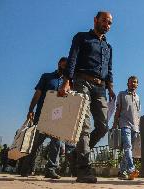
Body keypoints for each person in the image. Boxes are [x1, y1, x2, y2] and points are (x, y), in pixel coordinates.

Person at [59, 11, 115, 183]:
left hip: (101, 88)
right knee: (84, 125)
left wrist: (110, 88)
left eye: (110, 23)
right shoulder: (81, 37)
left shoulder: (108, 47)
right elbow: (72, 59)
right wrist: (67, 81)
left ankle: (75, 154)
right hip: (82, 81)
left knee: (103, 126)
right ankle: (83, 168)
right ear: (95, 20)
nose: (107, 24)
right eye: (104, 20)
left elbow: (110, 70)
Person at [20, 57, 68, 179]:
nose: (64, 67)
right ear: (59, 64)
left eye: (67, 65)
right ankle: (26, 168)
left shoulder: (68, 83)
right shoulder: (47, 77)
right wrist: (31, 109)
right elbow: (38, 94)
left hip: (57, 117)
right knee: (35, 143)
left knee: (56, 142)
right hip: (42, 115)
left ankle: (51, 169)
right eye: (63, 64)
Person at [112, 76, 141, 180]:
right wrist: (115, 124)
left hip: (135, 127)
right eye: (132, 82)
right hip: (124, 124)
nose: (134, 84)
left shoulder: (138, 97)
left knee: (129, 150)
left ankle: (121, 171)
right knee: (127, 146)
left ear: (137, 84)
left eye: (135, 82)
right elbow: (118, 109)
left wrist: (139, 126)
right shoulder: (121, 94)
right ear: (127, 83)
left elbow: (138, 114)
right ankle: (131, 169)